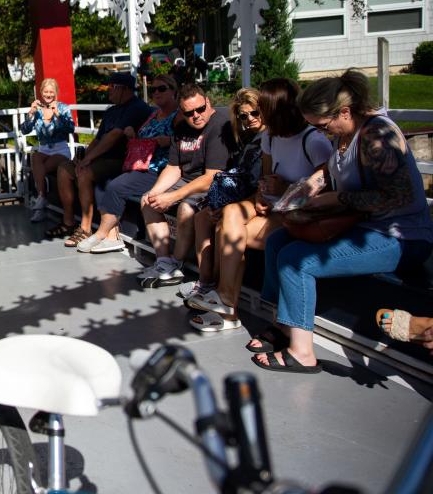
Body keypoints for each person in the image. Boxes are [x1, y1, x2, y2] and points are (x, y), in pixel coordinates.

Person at [252, 70, 433, 373]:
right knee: (277, 241)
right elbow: (330, 172)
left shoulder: (377, 137)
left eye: (322, 126)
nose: (321, 134)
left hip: (402, 237)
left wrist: (336, 200)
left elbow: (397, 196)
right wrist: (305, 190)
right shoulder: (345, 134)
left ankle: (302, 353)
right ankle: (285, 326)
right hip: (364, 226)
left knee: (297, 261)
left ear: (344, 112)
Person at [188, 79, 331, 331]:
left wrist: (283, 190)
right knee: (229, 212)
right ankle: (224, 301)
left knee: (225, 230)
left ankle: (227, 306)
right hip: (274, 205)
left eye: (260, 111)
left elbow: (326, 190)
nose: (256, 118)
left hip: (298, 211)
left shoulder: (313, 141)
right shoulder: (271, 139)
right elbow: (265, 179)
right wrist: (261, 198)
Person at [137, 83, 234, 286]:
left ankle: (176, 262)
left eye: (200, 109)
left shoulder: (219, 125)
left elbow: (212, 176)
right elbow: (174, 167)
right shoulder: (181, 129)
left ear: (208, 102)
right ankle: (163, 260)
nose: (196, 116)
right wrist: (155, 193)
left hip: (212, 184)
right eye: (189, 113)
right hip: (187, 180)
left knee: (185, 208)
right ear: (182, 112)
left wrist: (173, 196)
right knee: (147, 199)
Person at [46, 72, 151, 248]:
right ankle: (68, 221)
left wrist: (88, 161)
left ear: (123, 89)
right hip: (101, 159)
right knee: (65, 169)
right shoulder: (111, 111)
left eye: (111, 87)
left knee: (85, 173)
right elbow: (98, 139)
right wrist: (84, 158)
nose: (107, 91)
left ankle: (85, 228)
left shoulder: (137, 107)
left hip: (123, 161)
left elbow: (114, 136)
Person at [77, 74, 179, 254]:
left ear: (174, 91)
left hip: (162, 170)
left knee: (115, 184)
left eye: (162, 88)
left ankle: (102, 234)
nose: (156, 92)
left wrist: (170, 141)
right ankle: (108, 235)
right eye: (154, 89)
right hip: (142, 165)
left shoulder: (178, 116)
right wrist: (134, 135)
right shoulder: (154, 115)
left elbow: (186, 141)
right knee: (107, 183)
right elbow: (140, 139)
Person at [21, 78, 75, 223]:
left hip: (61, 149)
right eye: (46, 91)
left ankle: (41, 200)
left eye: (51, 92)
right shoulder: (37, 110)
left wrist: (58, 115)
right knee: (35, 157)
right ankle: (42, 198)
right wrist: (31, 114)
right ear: (41, 92)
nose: (48, 94)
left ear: (56, 93)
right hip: (44, 148)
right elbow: (24, 130)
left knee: (41, 169)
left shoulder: (62, 107)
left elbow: (71, 128)